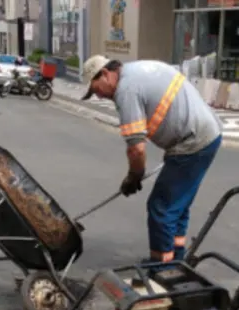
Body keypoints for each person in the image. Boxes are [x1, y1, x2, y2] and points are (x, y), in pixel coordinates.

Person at [80, 55, 223, 264]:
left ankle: (161, 268)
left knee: (161, 208)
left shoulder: (126, 90)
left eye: (96, 89)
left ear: (105, 74)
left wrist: (134, 176)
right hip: (208, 134)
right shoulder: (139, 69)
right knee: (177, 206)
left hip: (192, 142)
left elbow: (137, 149)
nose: (99, 97)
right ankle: (175, 259)